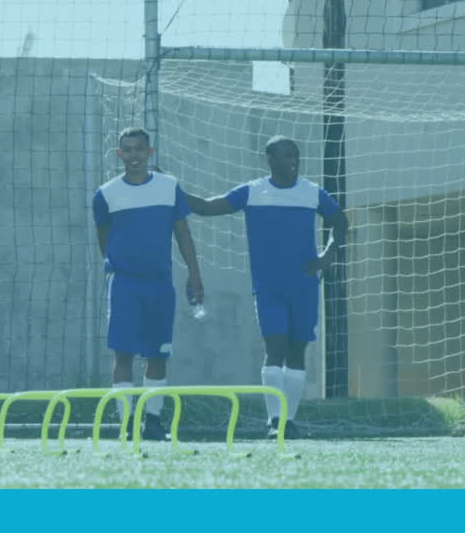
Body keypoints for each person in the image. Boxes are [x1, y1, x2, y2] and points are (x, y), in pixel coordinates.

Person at [185, 135, 348, 438]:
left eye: (295, 155)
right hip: (269, 286)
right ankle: (274, 421)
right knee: (274, 348)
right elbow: (207, 207)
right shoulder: (253, 192)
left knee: (297, 351)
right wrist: (174, 190)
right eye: (287, 155)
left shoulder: (312, 192)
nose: (293, 161)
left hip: (304, 285)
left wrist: (328, 254)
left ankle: (289, 421)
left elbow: (340, 221)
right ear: (271, 160)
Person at [93, 127, 205, 441]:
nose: (134, 156)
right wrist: (117, 265)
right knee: (123, 353)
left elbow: (183, 234)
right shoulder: (106, 194)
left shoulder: (169, 187)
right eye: (127, 150)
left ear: (150, 152)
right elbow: (104, 238)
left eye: (139, 149)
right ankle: (126, 424)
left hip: (160, 284)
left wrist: (195, 275)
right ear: (120, 155)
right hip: (125, 284)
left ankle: (152, 422)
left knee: (158, 354)